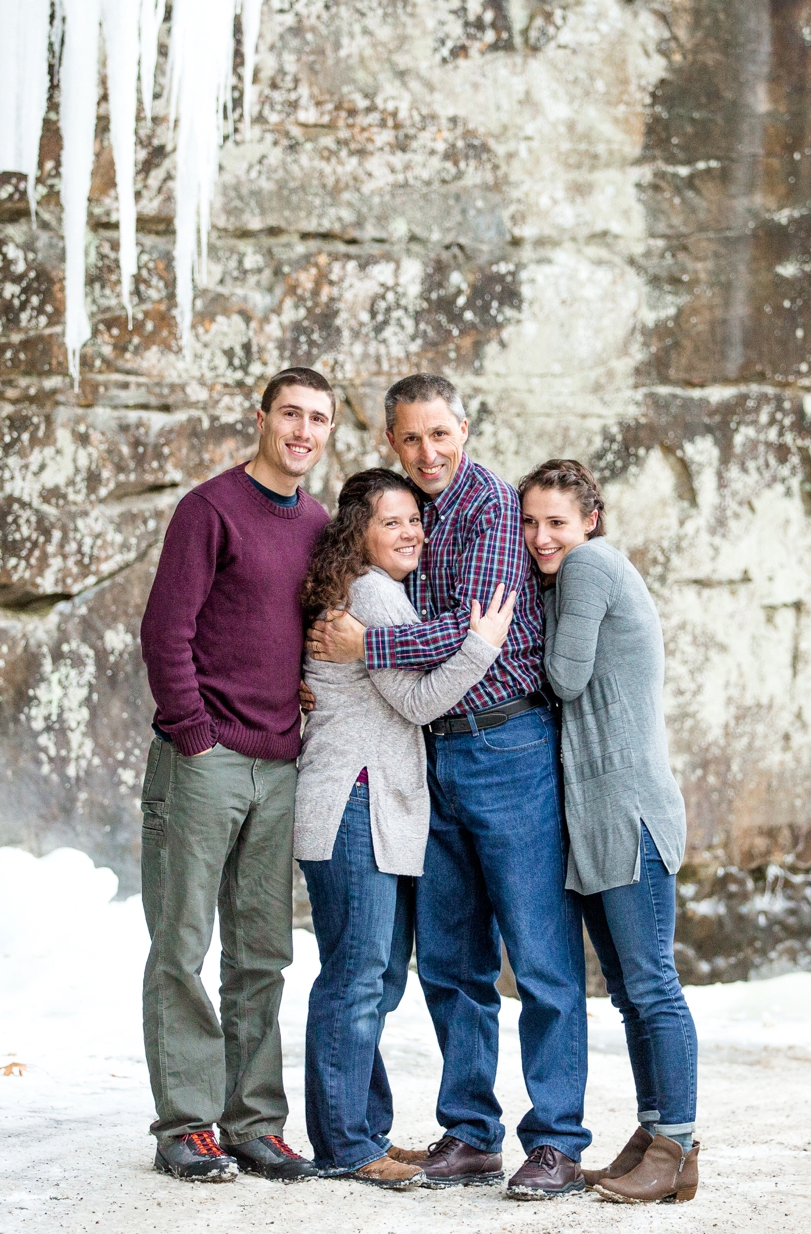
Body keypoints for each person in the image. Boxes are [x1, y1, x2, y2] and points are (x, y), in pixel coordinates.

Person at [307, 374, 591, 1199]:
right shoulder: (412, 515)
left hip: (508, 744)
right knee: (451, 961)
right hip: (433, 757)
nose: (428, 453)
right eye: (410, 439)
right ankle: (471, 1131)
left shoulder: (496, 506)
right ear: (392, 441)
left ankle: (557, 1140)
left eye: (440, 434)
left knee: (539, 956)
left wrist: (366, 644)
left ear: (463, 427)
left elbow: (470, 627)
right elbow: (409, 624)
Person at [137, 366, 336, 1184]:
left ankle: (253, 1122)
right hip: (207, 756)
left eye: (318, 418)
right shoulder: (208, 509)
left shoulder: (319, 520)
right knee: (182, 942)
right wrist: (193, 732)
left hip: (281, 760)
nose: (302, 430)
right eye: (289, 413)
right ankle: (186, 1124)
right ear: (260, 418)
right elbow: (165, 628)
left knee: (262, 952)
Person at [294, 467, 516, 1189]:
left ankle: (362, 1130)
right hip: (356, 802)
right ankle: (345, 1145)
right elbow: (419, 702)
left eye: (415, 520)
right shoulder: (377, 593)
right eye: (393, 521)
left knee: (372, 977)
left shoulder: (372, 591)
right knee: (357, 980)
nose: (411, 531)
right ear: (359, 530)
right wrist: (482, 645)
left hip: (364, 803)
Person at [519, 458, 700, 1205]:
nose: (540, 536)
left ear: (590, 518)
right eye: (528, 522)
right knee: (629, 990)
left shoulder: (590, 565)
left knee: (654, 985)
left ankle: (680, 1141)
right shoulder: (567, 578)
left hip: (627, 813)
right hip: (595, 819)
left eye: (556, 520)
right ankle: (659, 1135)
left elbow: (562, 677)